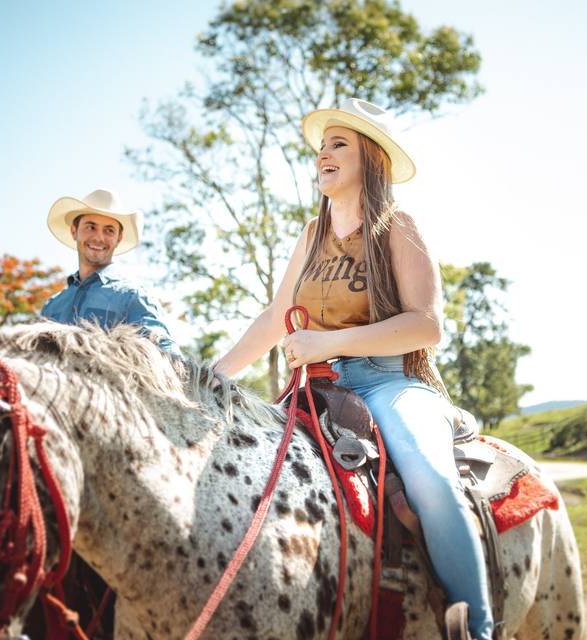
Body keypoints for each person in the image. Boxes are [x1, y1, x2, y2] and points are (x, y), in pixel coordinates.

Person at [213, 99, 493, 639]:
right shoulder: (309, 235)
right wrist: (212, 376)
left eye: (338, 145)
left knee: (431, 481)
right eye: (321, 148)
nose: (323, 155)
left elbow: (426, 326)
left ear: (373, 160)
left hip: (388, 381)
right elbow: (275, 318)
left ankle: (477, 629)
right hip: (315, 388)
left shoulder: (397, 225)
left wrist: (328, 341)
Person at [43, 188, 178, 354]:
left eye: (109, 230)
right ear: (74, 231)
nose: (99, 238)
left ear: (118, 239)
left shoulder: (132, 297)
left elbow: (167, 357)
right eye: (90, 227)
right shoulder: (52, 306)